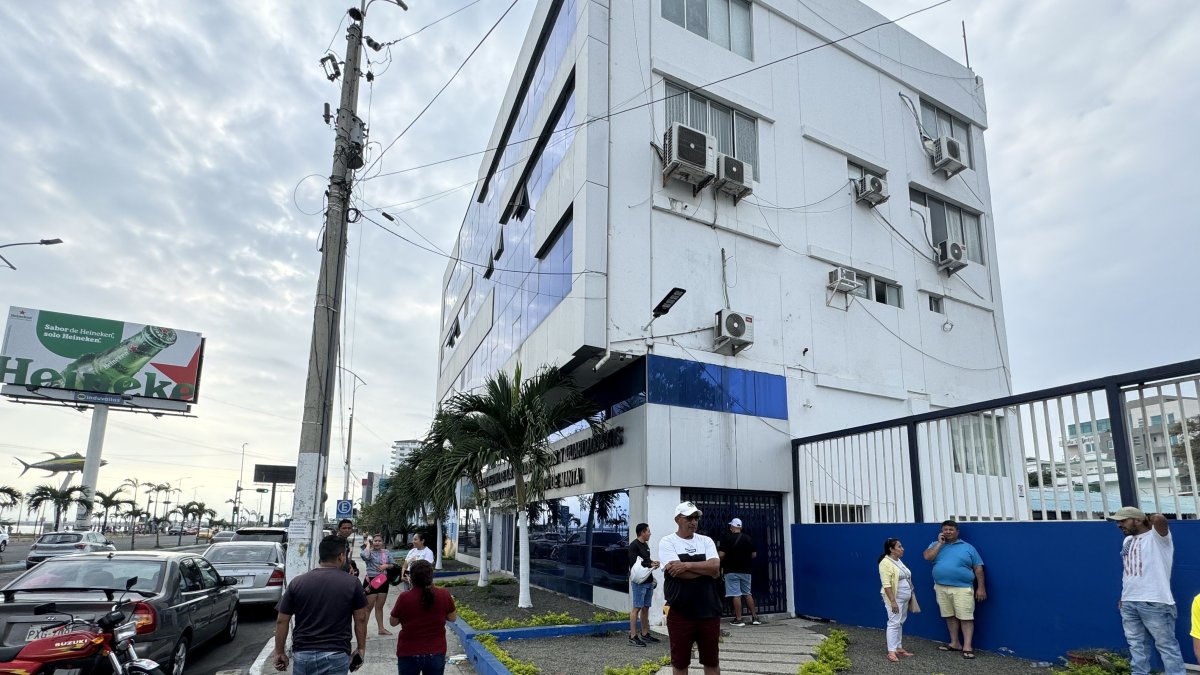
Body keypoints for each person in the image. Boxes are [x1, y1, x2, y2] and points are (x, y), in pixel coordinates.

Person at [273, 535, 369, 675]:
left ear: (321, 556)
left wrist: (279, 652)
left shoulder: (297, 582)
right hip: (337, 653)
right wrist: (361, 648)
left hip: (303, 654)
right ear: (341, 556)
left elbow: (282, 620)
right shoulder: (352, 583)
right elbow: (360, 618)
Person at [1109, 506, 1186, 675]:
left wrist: (1150, 518)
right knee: (1136, 646)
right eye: (1118, 521)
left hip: (1155, 601)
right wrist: (1124, 597)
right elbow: (1128, 571)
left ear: (1138, 520)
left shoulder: (1158, 538)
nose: (1119, 525)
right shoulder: (1127, 540)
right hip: (1129, 602)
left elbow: (1159, 520)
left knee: (1166, 646)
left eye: (1123, 520)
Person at [659, 501, 722, 675]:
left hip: (709, 611)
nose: (693, 521)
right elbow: (675, 572)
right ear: (678, 519)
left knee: (712, 661)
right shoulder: (667, 542)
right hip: (680, 613)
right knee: (679, 664)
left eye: (696, 518)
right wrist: (706, 570)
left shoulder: (706, 541)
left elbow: (715, 567)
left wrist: (686, 565)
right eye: (689, 518)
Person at [922, 519, 985, 660]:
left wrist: (981, 587)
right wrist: (939, 544)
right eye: (945, 530)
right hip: (941, 587)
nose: (948, 532)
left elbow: (978, 568)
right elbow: (927, 557)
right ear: (941, 531)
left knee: (966, 617)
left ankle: (967, 646)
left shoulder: (968, 547)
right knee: (949, 615)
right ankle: (955, 643)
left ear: (957, 532)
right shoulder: (935, 545)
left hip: (962, 588)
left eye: (951, 530)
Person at [389, 559, 457, 675]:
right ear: (431, 576)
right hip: (436, 652)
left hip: (409, 652)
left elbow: (393, 622)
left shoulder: (405, 597)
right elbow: (452, 618)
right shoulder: (444, 594)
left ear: (411, 577)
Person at [878, 538, 915, 662]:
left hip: (904, 598)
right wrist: (893, 601)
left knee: (900, 621)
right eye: (899, 546)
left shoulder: (898, 560)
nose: (902, 548)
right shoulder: (885, 563)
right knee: (894, 622)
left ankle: (898, 647)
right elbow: (886, 584)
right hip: (895, 598)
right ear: (891, 549)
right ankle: (891, 651)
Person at [718, 518, 760, 627]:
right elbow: (754, 554)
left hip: (731, 570)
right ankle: (755, 617)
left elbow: (721, 555)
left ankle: (739, 619)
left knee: (736, 594)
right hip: (746, 570)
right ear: (740, 527)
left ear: (732, 527)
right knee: (747, 593)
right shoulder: (748, 538)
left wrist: (718, 562)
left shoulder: (726, 538)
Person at [627, 522, 661, 647]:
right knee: (637, 608)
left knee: (646, 607)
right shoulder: (633, 546)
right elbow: (634, 564)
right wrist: (649, 565)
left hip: (648, 581)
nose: (650, 533)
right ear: (642, 532)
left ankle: (645, 633)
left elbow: (646, 561)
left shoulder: (645, 545)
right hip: (639, 582)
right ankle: (632, 636)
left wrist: (653, 563)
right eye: (648, 531)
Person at [361, 533, 398, 635]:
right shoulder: (369, 552)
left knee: (379, 607)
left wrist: (386, 565)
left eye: (379, 541)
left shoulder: (386, 552)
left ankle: (381, 629)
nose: (377, 543)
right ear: (372, 542)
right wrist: (367, 545)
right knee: (368, 608)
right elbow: (365, 556)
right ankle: (363, 631)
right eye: (375, 541)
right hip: (371, 581)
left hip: (382, 581)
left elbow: (394, 565)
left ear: (382, 542)